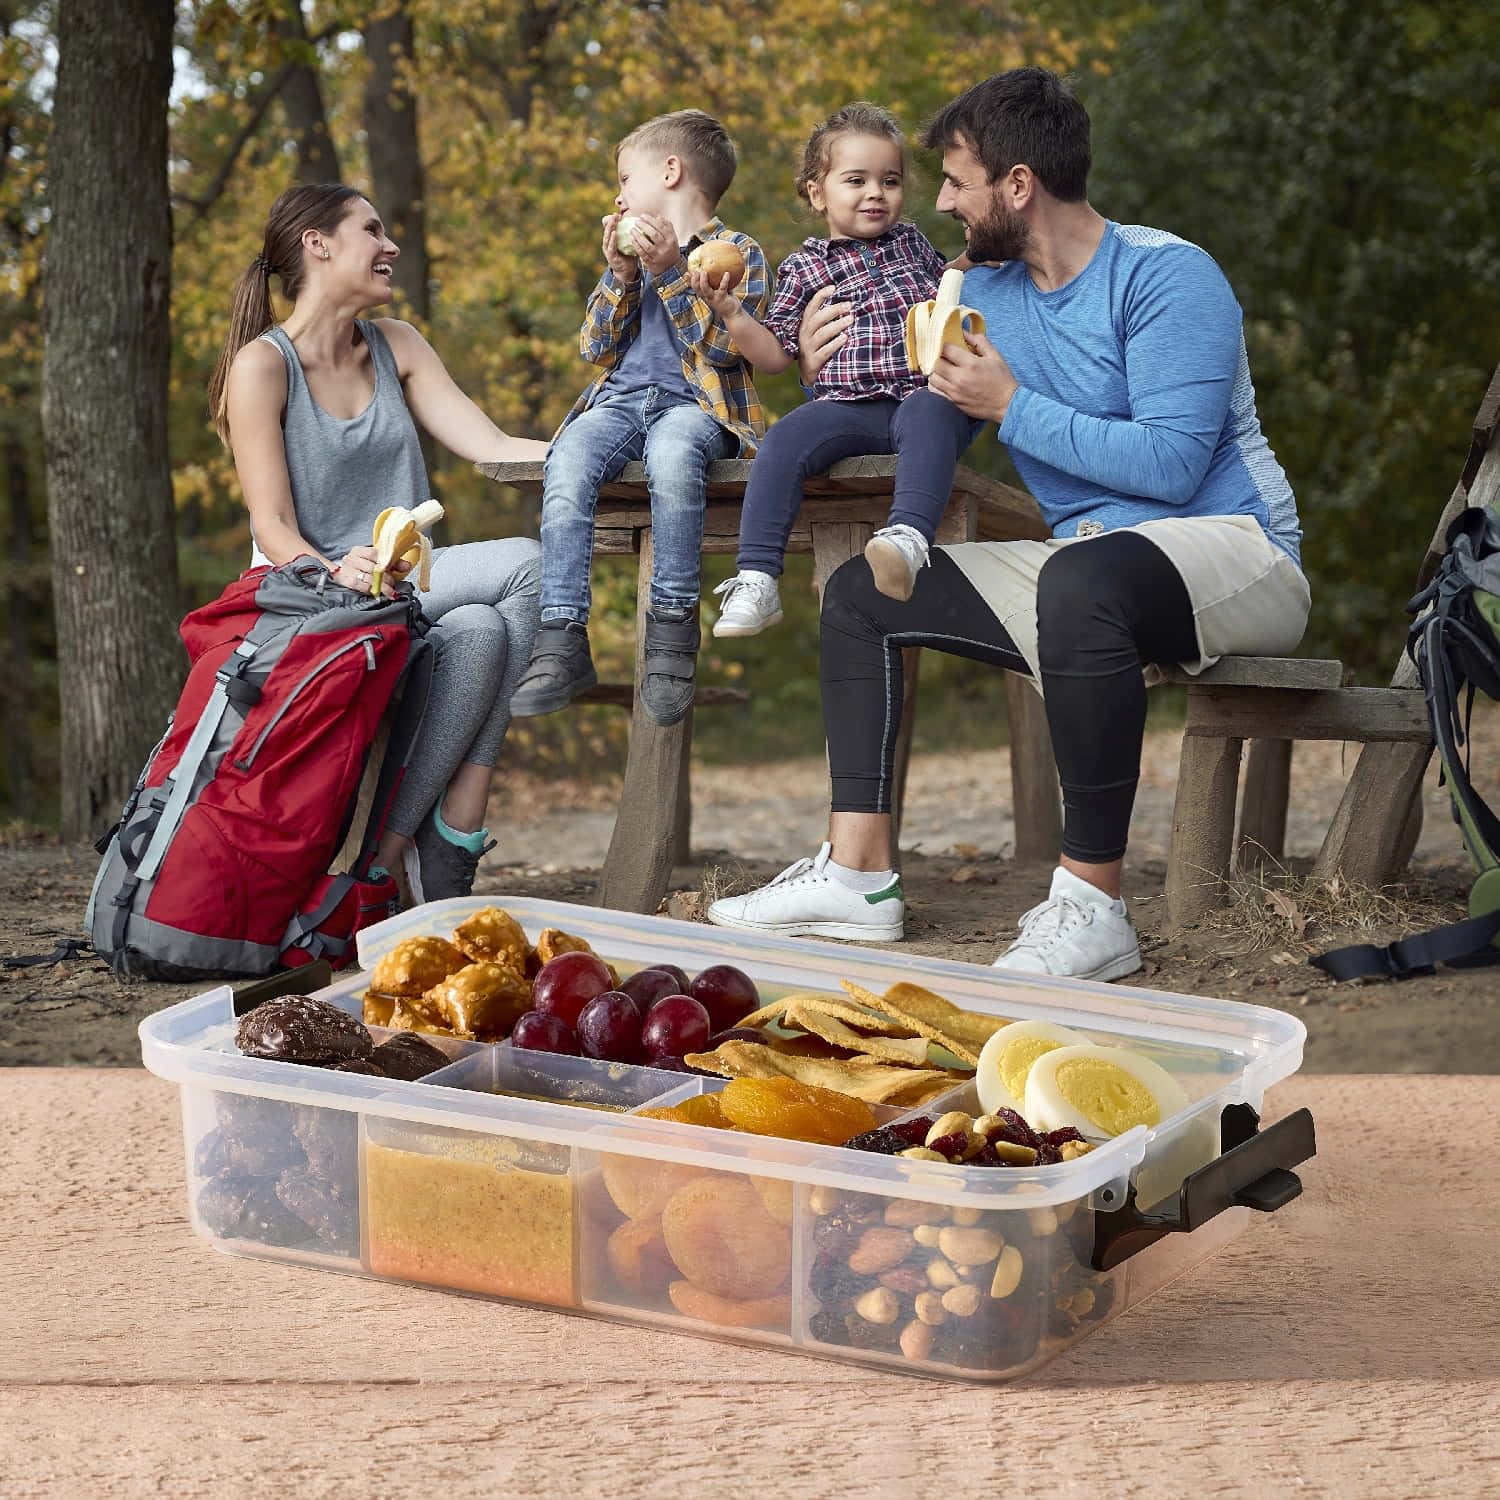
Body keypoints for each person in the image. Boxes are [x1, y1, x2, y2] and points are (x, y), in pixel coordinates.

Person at [707, 68, 1311, 982]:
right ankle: (858, 876)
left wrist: (1011, 404)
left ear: (1018, 186)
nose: (939, 200)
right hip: (1087, 568)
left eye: (955, 179)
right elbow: (898, 394)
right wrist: (807, 358)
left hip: (1236, 550)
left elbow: (1173, 466)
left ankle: (1092, 903)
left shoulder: (1165, 273)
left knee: (1082, 576)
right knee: (861, 595)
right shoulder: (976, 288)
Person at [207, 183, 546, 905]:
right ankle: (450, 832)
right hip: (319, 606)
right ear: (317, 243)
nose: (390, 246)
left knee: (485, 628)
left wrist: (608, 452)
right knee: (528, 564)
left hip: (408, 590)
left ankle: (399, 855)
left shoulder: (397, 345)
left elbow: (495, 446)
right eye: (373, 230)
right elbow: (271, 525)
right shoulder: (261, 368)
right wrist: (336, 569)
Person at [508, 109, 770, 726]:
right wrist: (623, 275)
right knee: (567, 457)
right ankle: (563, 634)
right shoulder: (630, 254)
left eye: (626, 178)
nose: (618, 194)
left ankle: (672, 635)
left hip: (697, 409)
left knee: (675, 456)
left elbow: (729, 351)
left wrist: (670, 272)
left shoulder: (737, 253)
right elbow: (595, 349)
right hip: (621, 402)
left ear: (671, 172)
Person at [702, 102, 977, 636]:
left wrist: (979, 257)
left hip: (917, 398)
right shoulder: (807, 265)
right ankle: (756, 575)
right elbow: (777, 355)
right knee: (783, 440)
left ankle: (906, 541)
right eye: (857, 179)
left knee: (932, 410)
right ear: (816, 192)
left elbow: (946, 283)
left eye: (889, 180)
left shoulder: (912, 243)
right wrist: (733, 313)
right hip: (846, 408)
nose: (876, 192)